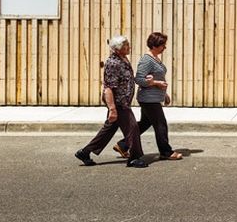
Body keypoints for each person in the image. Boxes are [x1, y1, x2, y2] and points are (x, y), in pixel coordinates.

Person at [74, 35, 147, 168]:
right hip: (119, 103)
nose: (129, 47)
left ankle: (84, 152)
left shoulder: (122, 58)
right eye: (126, 45)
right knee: (133, 128)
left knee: (108, 129)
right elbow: (108, 88)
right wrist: (112, 109)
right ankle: (134, 158)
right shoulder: (113, 63)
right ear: (118, 49)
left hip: (122, 101)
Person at [117, 31, 182, 161]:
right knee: (161, 124)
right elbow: (139, 79)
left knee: (146, 123)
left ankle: (123, 145)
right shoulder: (147, 59)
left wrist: (164, 94)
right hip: (148, 99)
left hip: (153, 97)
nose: (165, 47)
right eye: (162, 45)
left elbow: (156, 78)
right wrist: (157, 83)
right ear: (155, 45)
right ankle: (166, 151)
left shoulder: (154, 58)